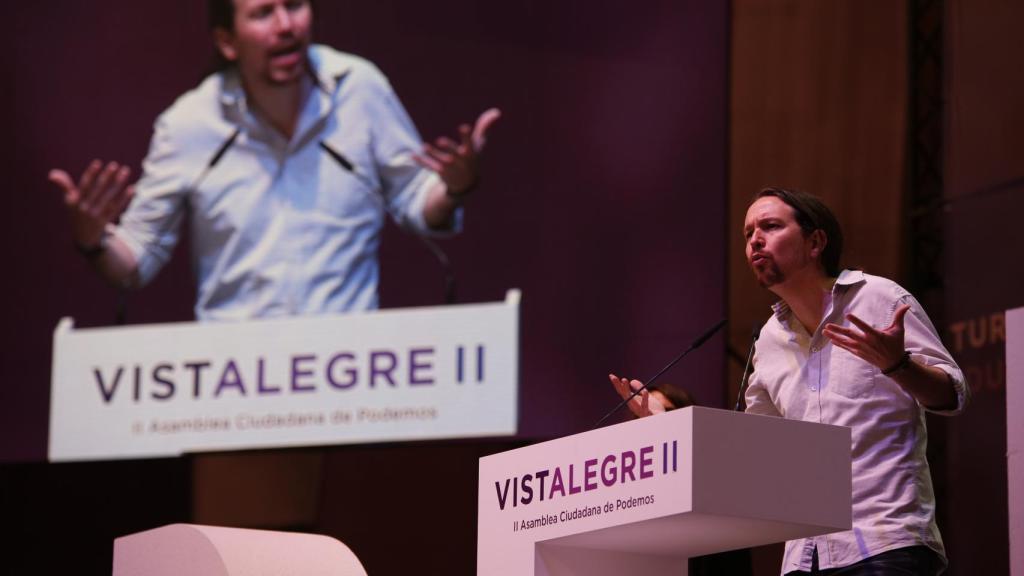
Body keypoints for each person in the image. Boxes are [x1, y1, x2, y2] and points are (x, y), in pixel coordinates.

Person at [48, 0, 500, 321]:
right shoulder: (189, 125)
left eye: (296, 5)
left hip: (354, 376)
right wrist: (94, 243)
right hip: (237, 387)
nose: (286, 25)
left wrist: (453, 187)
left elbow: (416, 198)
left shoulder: (358, 89)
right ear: (227, 40)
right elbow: (139, 257)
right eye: (263, 13)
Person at [611, 187, 968, 575]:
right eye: (748, 234)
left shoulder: (878, 298)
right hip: (805, 557)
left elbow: (951, 393)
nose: (754, 241)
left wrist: (898, 364)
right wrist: (670, 427)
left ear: (815, 242)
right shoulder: (769, 339)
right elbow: (751, 448)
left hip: (886, 543)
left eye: (770, 226)